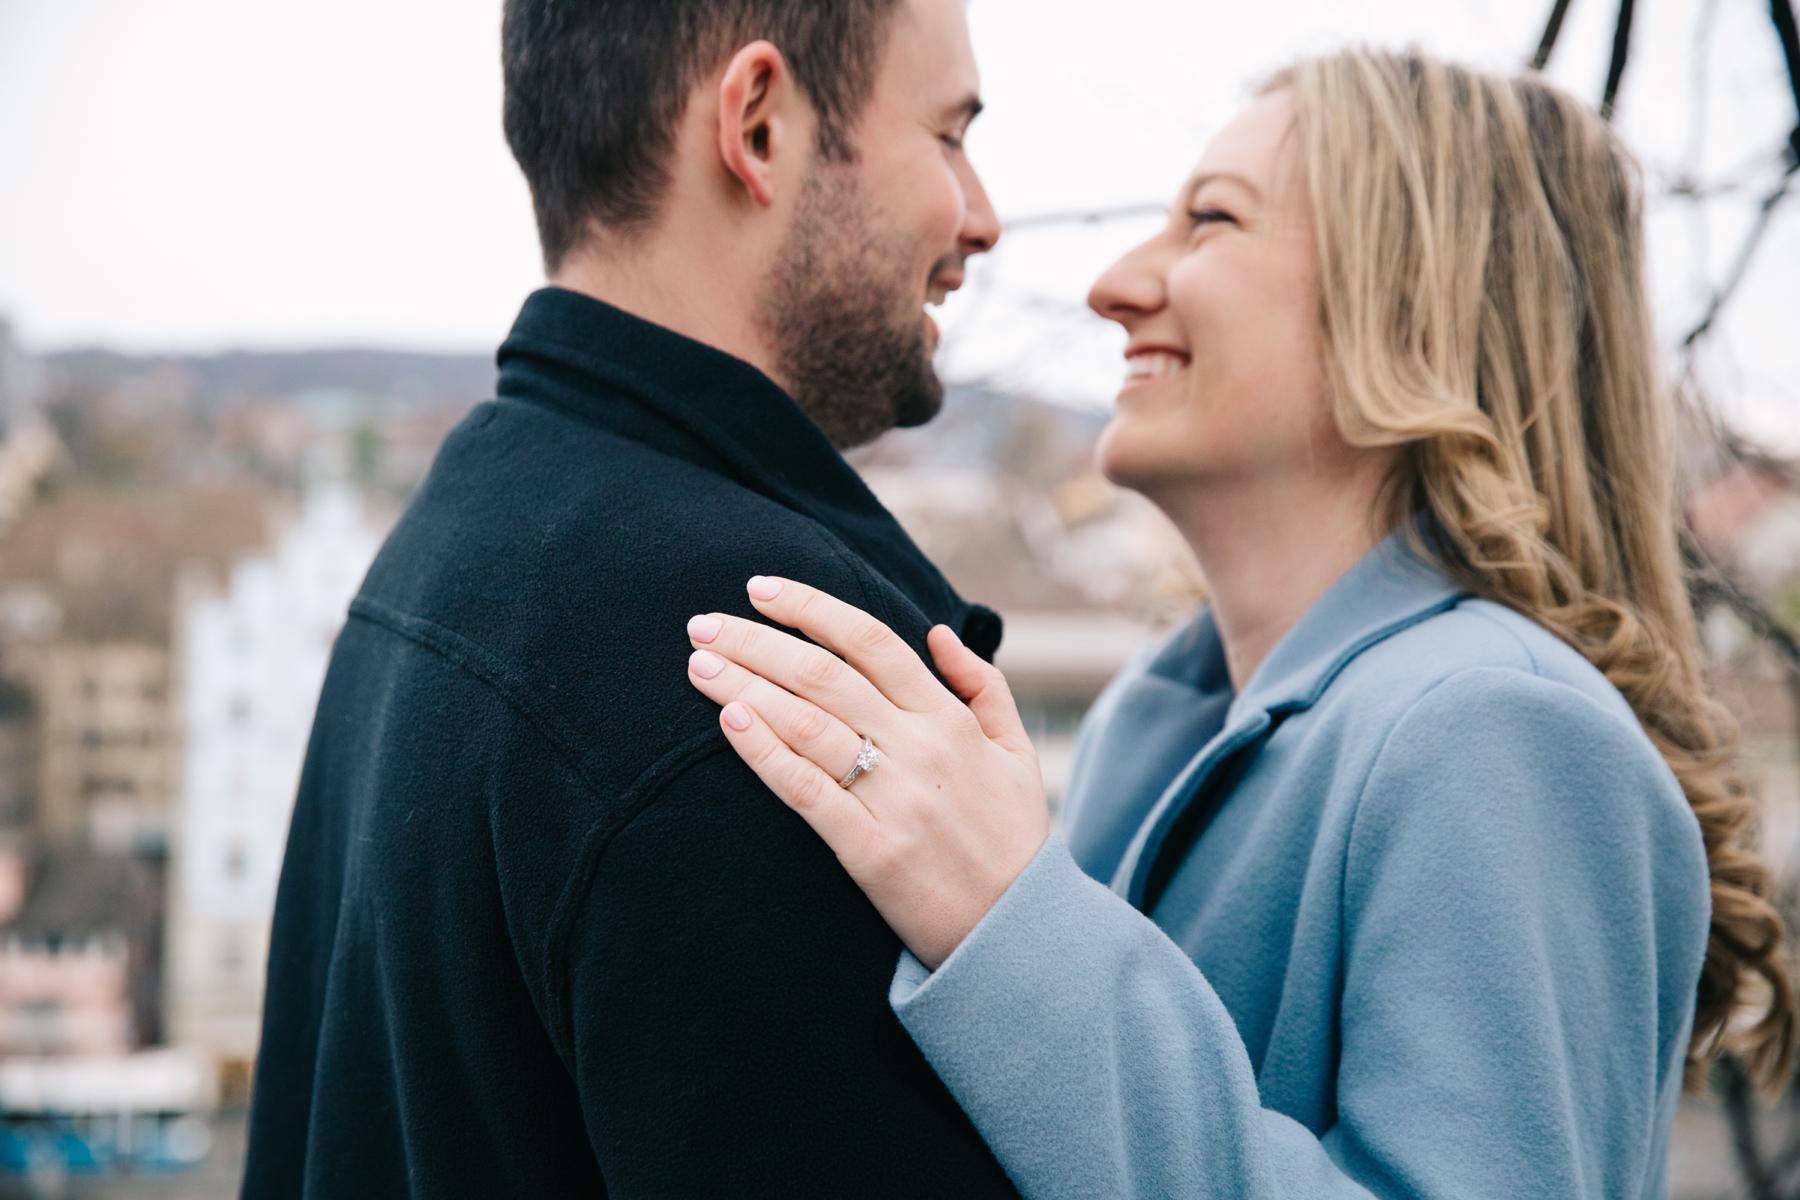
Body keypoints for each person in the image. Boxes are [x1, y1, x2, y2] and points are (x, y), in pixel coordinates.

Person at [681, 48, 1800, 1198]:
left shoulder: (1497, 732)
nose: (1115, 283)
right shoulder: (1158, 721)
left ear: (1414, 299)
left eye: (1210, 221)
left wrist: (1006, 927)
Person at [242, 0, 1019, 1195]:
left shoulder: (446, 543)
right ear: (758, 125)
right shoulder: (767, 670)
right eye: (952, 136)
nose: (983, 217)